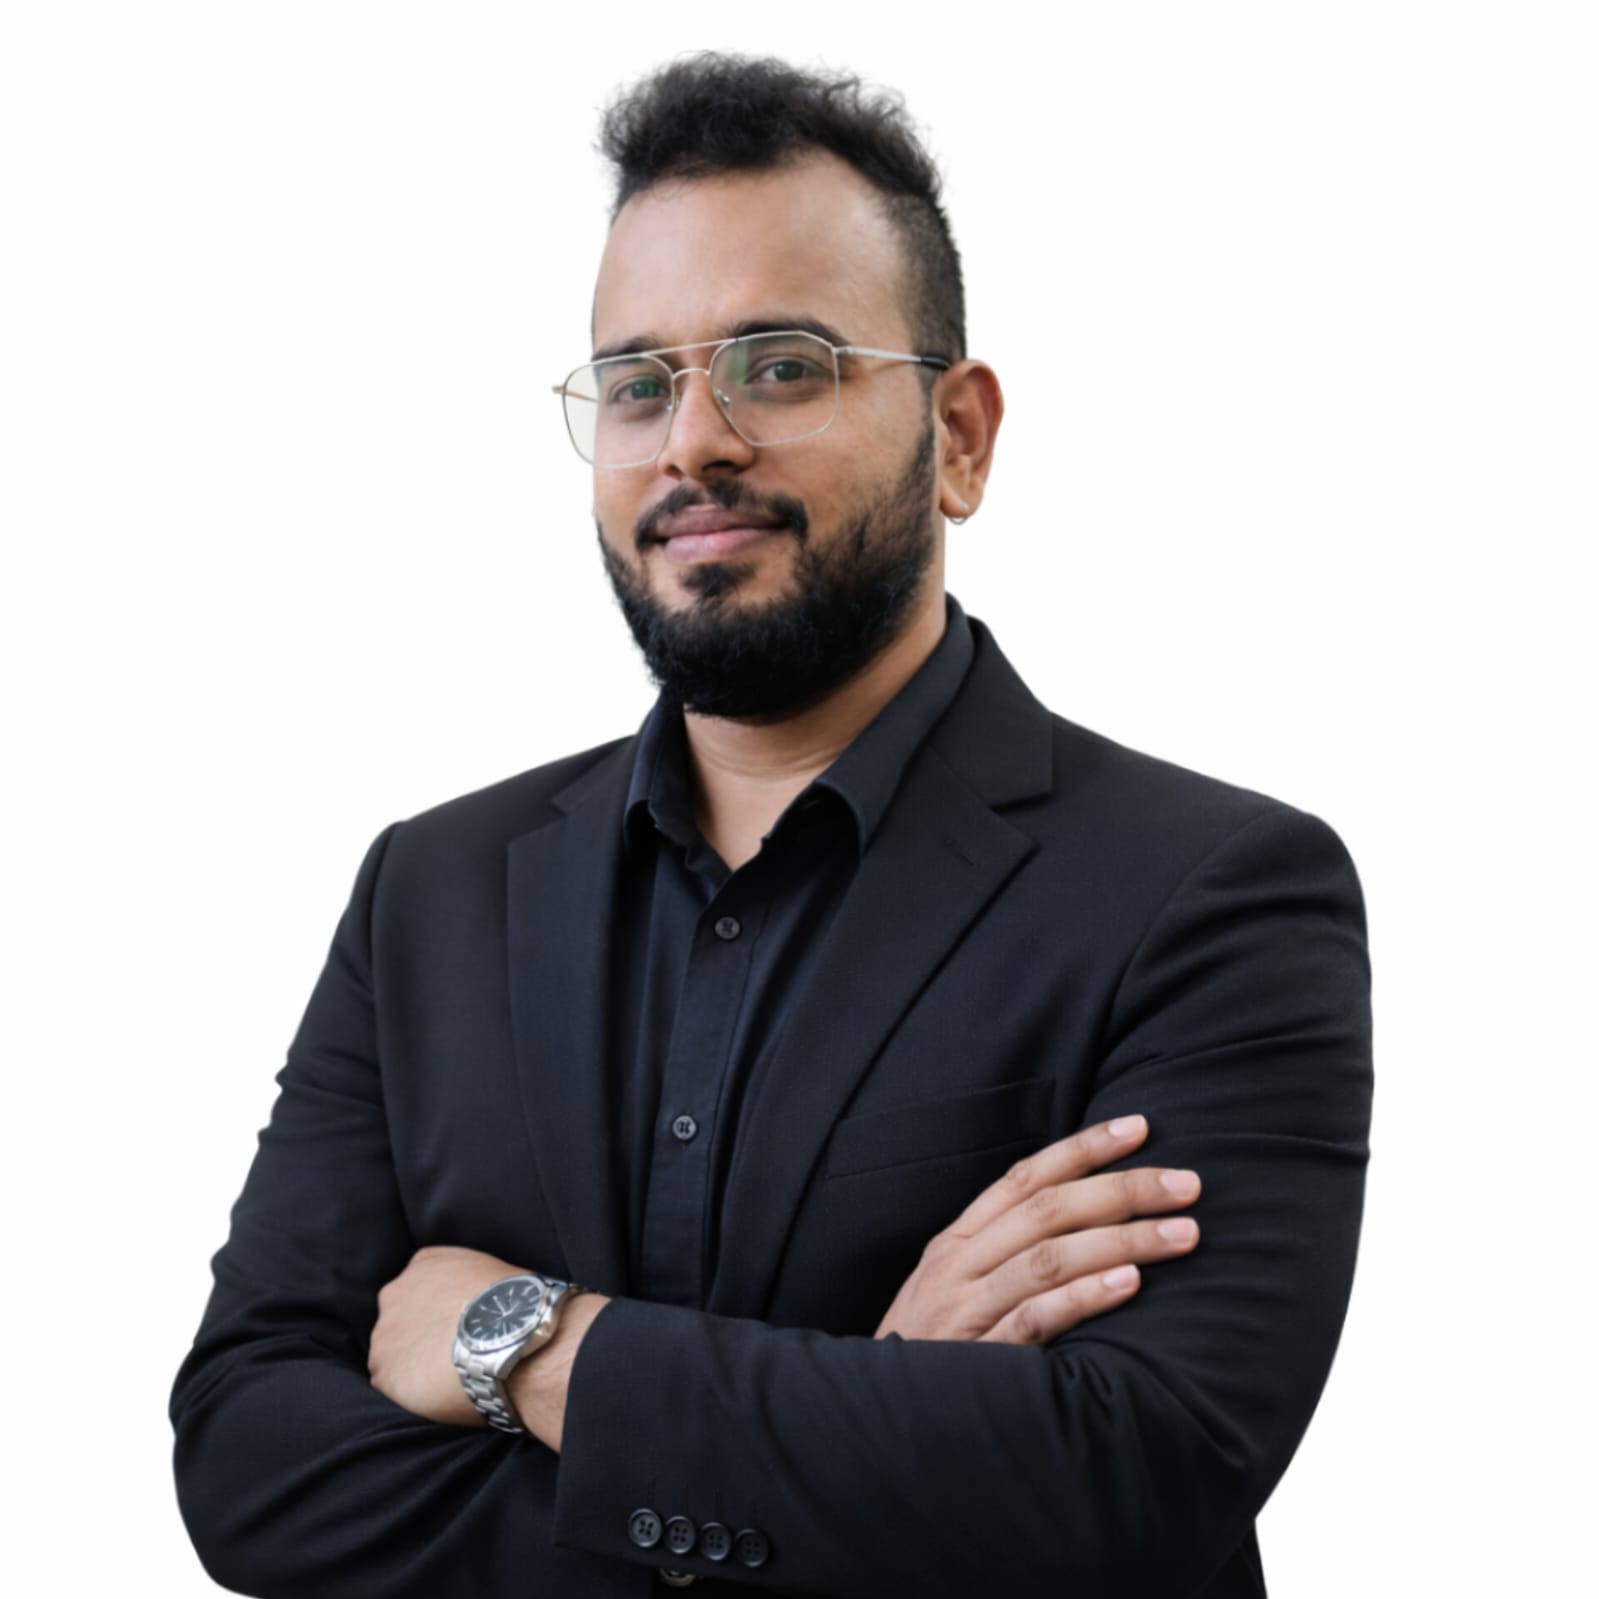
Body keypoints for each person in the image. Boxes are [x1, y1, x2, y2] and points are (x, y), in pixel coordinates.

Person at [170, 51, 1373, 1599]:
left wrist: (532, 1347)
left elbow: (1136, 1477)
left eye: (782, 365)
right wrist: (860, 1444)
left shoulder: (1209, 894)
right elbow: (250, 1460)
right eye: (637, 383)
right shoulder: (433, 892)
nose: (694, 442)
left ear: (960, 437)